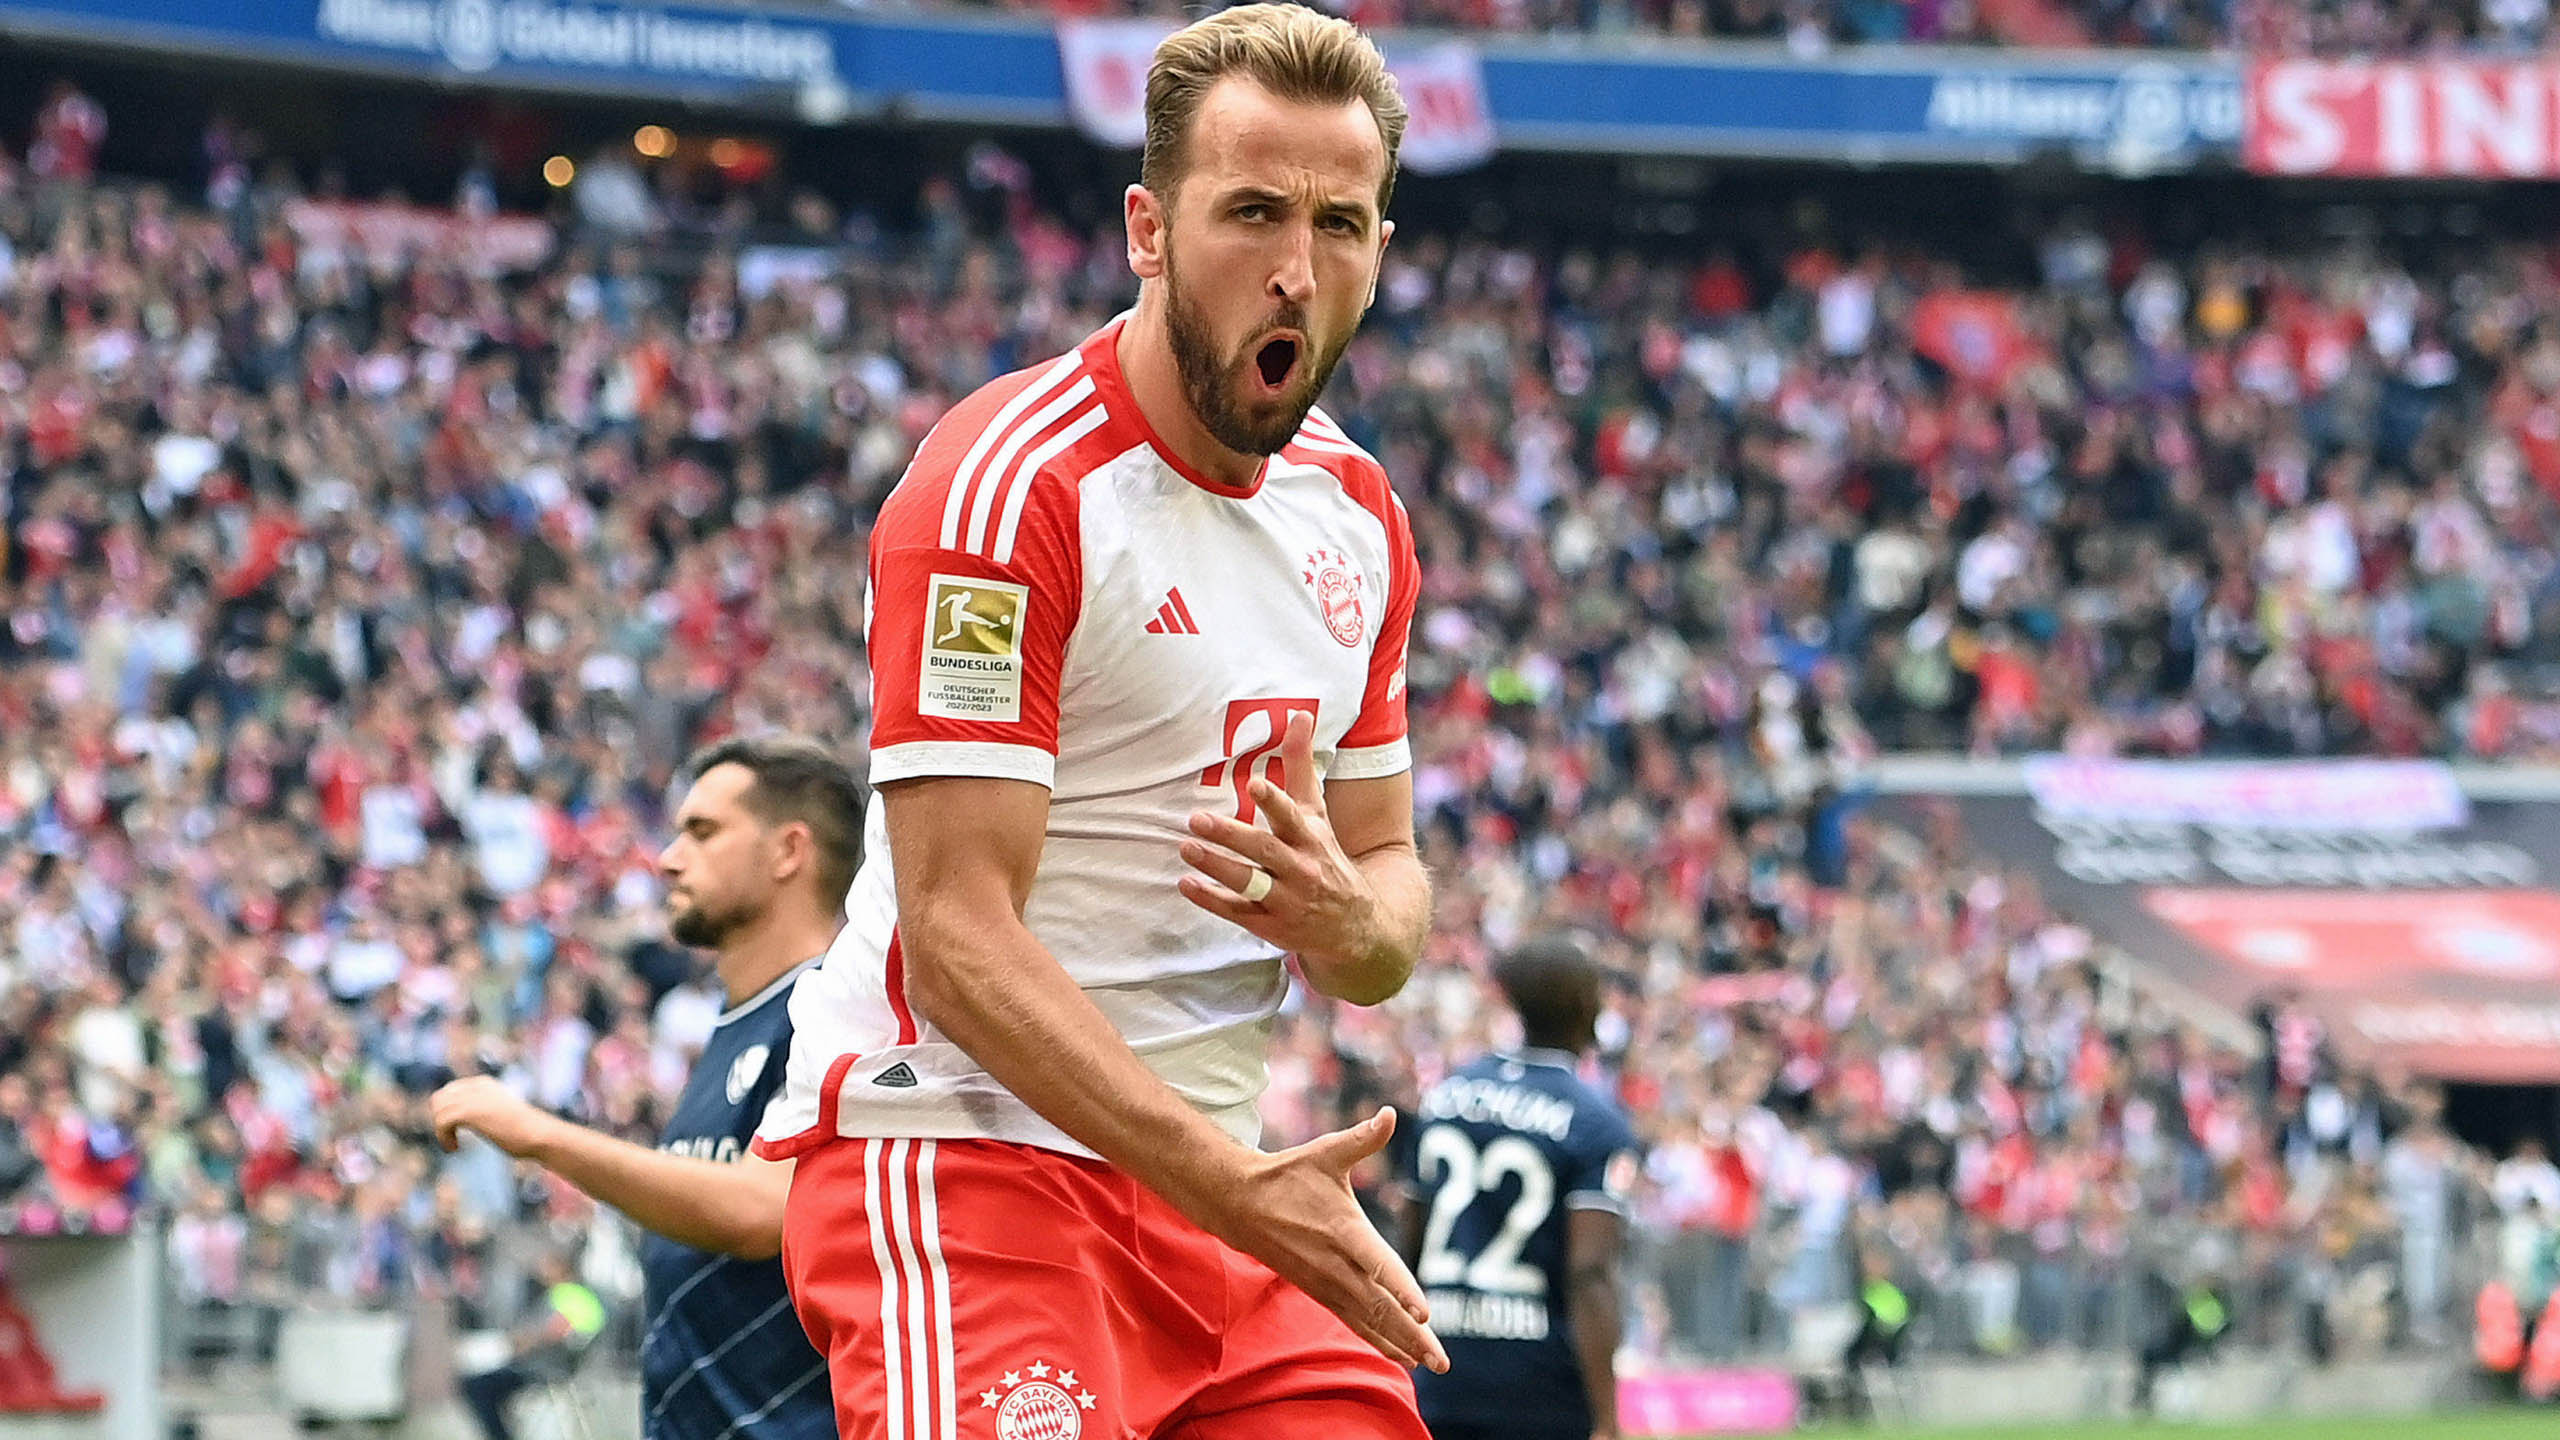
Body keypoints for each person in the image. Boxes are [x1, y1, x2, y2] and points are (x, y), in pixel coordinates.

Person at [752, 7, 1448, 1438]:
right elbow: (955, 943)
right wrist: (1227, 1178)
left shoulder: (1360, 514)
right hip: (958, 1150)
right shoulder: (1008, 491)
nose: (1294, 271)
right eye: (1250, 213)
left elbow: (1388, 892)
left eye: (1340, 223)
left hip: (1214, 1183)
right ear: (1145, 227)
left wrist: (1351, 924)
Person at [432, 737, 862, 1440]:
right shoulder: (736, 1028)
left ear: (789, 851)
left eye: (703, 831)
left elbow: (761, 1210)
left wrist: (540, 1135)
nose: (668, 858)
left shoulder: (832, 1013)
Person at [1397, 937, 1640, 1440]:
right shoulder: (1596, 1123)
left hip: (1440, 1371)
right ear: (1587, 1009)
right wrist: (1609, 1417)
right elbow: (1590, 1272)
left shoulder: (1445, 1098)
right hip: (1538, 1384)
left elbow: (1408, 1247)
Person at [457, 1248, 608, 1440]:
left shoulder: (567, 1295)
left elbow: (556, 1331)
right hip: (556, 1367)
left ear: (561, 1267)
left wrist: (521, 1341)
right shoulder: (585, 1296)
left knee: (476, 1386)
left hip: (543, 1370)